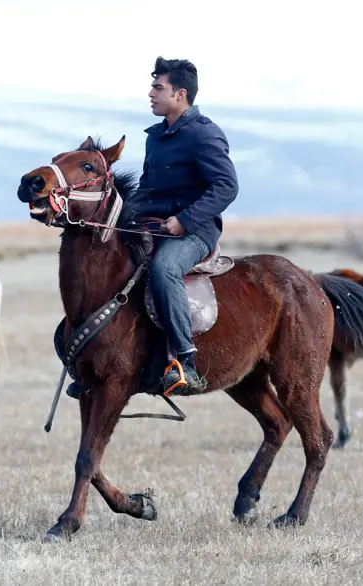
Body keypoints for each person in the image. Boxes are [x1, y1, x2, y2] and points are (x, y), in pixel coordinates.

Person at [65, 56, 239, 399]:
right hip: (155, 224)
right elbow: (149, 188)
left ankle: (185, 363)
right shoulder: (156, 137)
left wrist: (184, 221)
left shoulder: (204, 134)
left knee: (163, 268)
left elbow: (226, 186)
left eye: (158, 88)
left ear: (180, 95)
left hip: (195, 232)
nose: (150, 93)